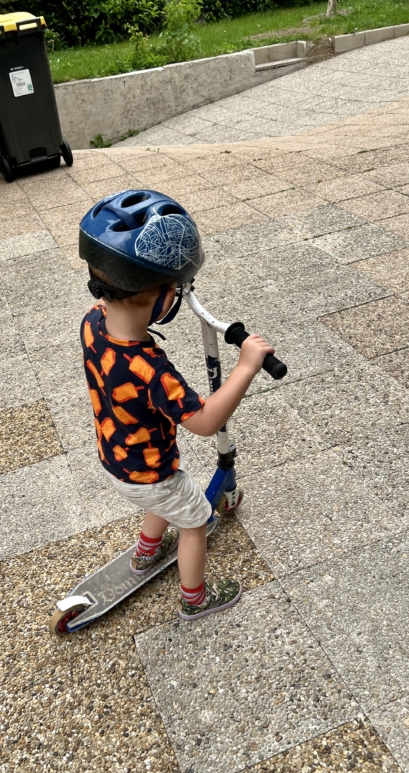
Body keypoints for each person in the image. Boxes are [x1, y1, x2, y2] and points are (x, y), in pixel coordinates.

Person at [79, 190, 274, 620]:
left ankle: (146, 552)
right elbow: (204, 422)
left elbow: (109, 307)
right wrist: (246, 367)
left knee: (163, 500)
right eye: (178, 288)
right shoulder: (150, 369)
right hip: (153, 472)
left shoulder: (92, 323)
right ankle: (195, 600)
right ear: (163, 295)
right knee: (194, 521)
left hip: (117, 458)